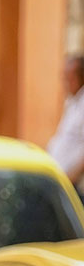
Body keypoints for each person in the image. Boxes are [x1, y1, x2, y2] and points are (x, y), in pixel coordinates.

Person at [47, 55, 84, 198]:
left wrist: (69, 179)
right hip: (58, 176)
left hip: (69, 182)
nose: (66, 83)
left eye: (70, 78)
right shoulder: (72, 101)